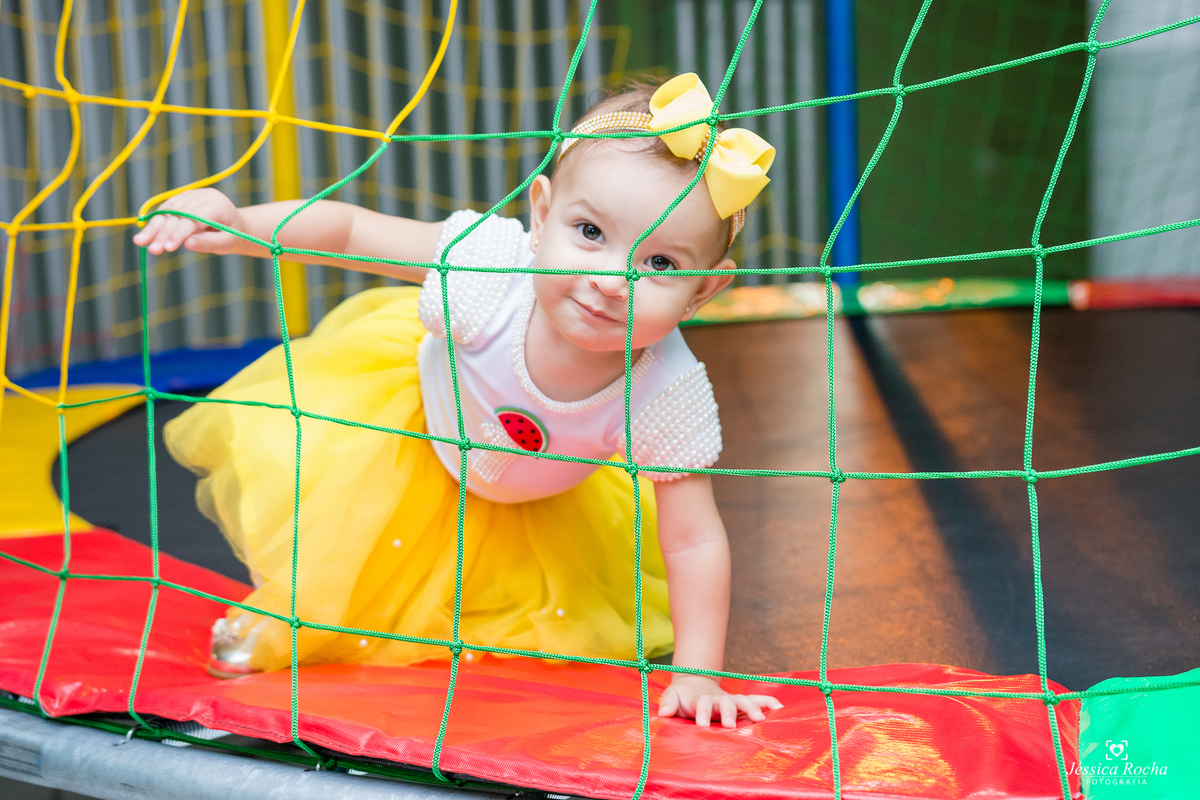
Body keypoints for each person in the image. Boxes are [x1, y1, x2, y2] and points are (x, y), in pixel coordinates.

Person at [134, 73, 782, 728]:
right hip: (409, 440)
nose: (610, 280)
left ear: (705, 292)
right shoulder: (485, 269)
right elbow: (352, 231)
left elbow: (694, 538)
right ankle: (281, 622)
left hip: (543, 498)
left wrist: (699, 674)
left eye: (662, 265)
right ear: (541, 213)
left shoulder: (667, 391)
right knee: (354, 560)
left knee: (506, 628)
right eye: (589, 232)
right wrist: (244, 224)